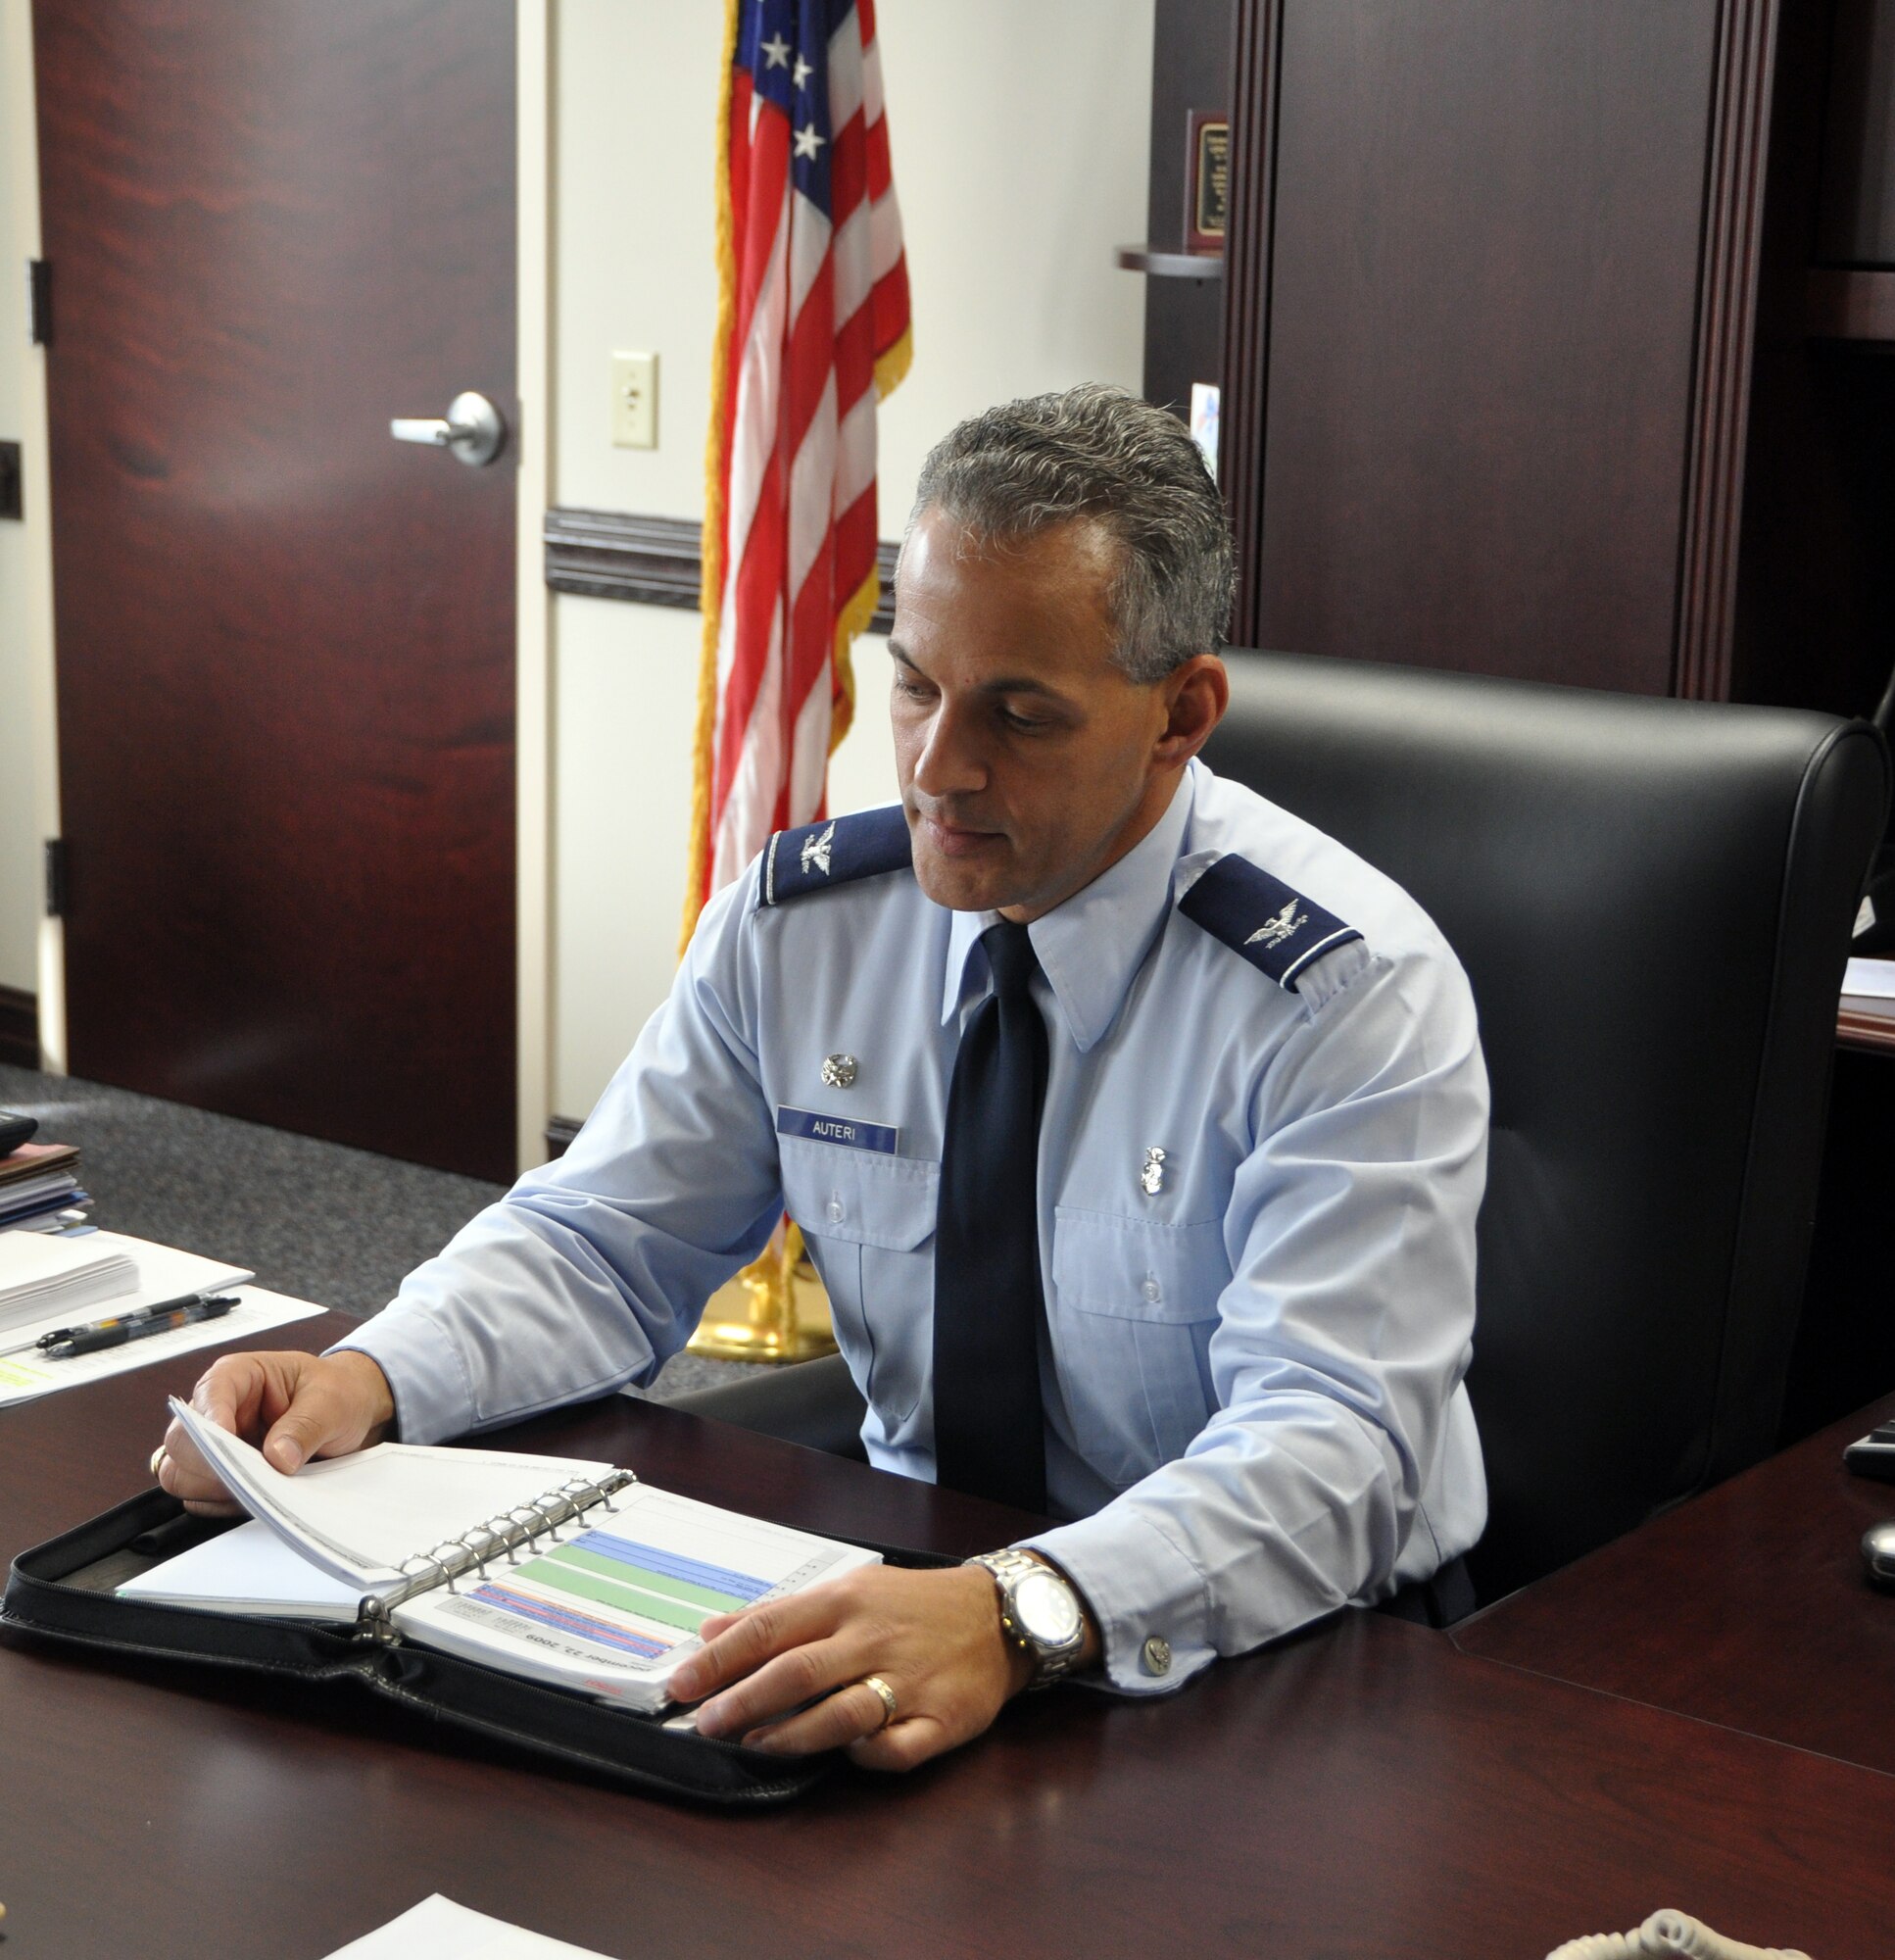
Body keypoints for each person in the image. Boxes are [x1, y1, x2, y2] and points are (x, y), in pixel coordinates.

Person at [154, 383, 1488, 1772]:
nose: (934, 768)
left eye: (1018, 715)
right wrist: (369, 1376)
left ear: (1179, 714)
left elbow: (1333, 1443)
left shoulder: (1342, 993)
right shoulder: (807, 923)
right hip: (911, 1591)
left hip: (1283, 1654)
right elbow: (604, 1239)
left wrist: (1026, 1610)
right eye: (913, 682)